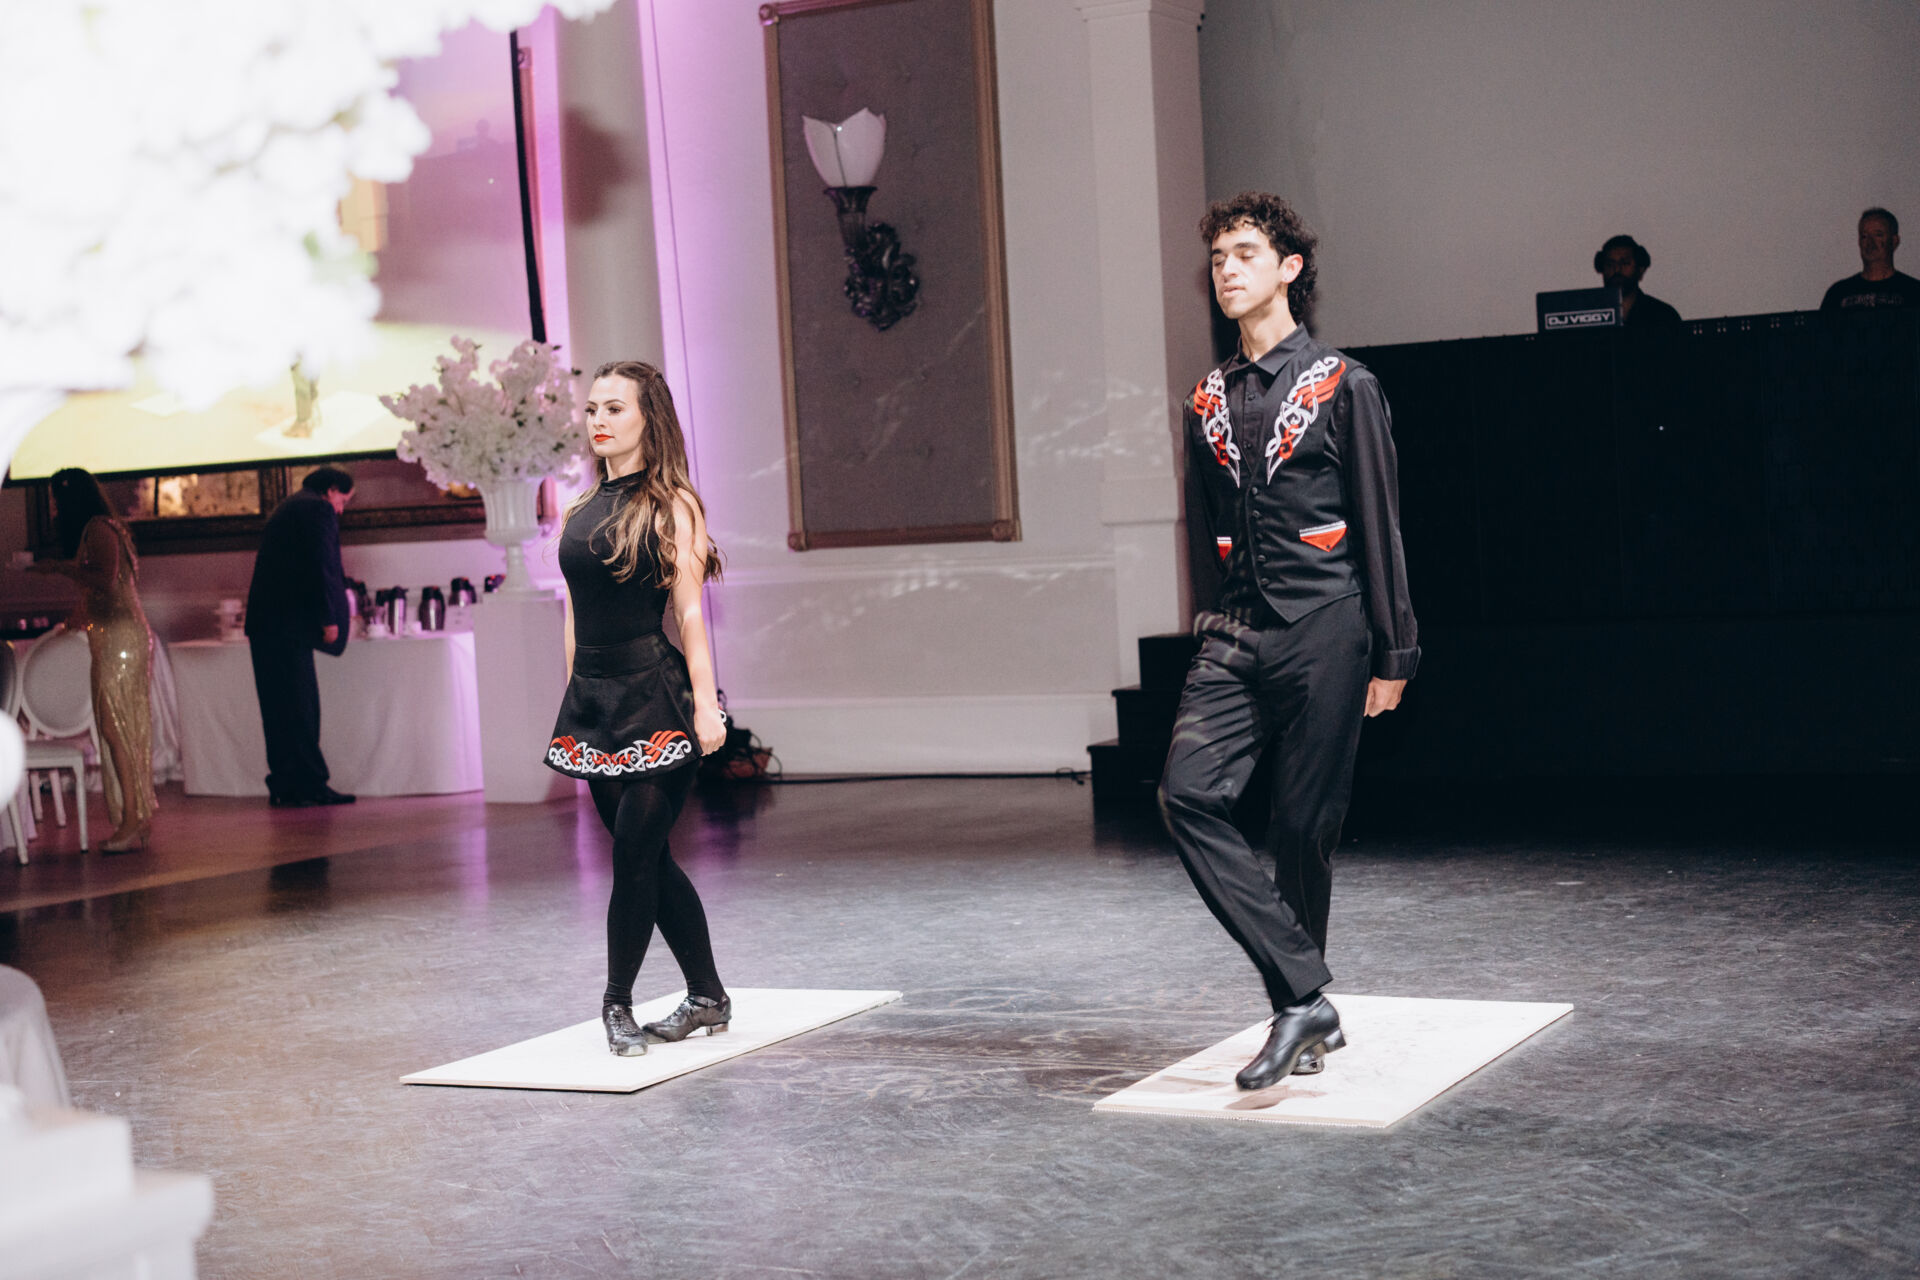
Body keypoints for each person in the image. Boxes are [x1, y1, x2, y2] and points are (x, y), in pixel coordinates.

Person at [1160, 193, 1420, 1091]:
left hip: (1326, 628)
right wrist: (1207, 623)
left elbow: (1379, 525)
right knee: (1186, 795)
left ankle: (1297, 1017)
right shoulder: (1204, 399)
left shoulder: (1343, 385)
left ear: (1289, 269)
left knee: (1303, 828)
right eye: (1218, 258)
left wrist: (1394, 652)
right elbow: (1202, 528)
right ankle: (1307, 996)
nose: (1227, 269)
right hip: (1235, 633)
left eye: (1244, 253)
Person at [545, 360, 731, 1057]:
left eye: (615, 408)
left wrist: (707, 707)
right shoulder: (577, 510)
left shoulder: (672, 504)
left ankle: (615, 1003)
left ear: (649, 418)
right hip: (594, 704)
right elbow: (574, 616)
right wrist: (573, 698)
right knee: (650, 858)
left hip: (656, 698)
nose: (598, 420)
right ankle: (708, 996)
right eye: (593, 408)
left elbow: (690, 614)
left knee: (633, 857)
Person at [28, 469, 158, 852]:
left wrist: (57, 567)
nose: (54, 509)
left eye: (57, 500)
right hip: (116, 634)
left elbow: (104, 578)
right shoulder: (102, 528)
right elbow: (98, 594)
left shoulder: (99, 529)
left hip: (119, 638)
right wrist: (72, 622)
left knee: (115, 727)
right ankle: (136, 817)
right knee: (118, 726)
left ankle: (131, 819)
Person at [244, 466, 355, 808]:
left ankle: (284, 784)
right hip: (290, 626)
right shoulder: (317, 509)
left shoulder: (289, 506)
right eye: (343, 500)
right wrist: (328, 618)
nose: (341, 510)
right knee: (301, 708)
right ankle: (311, 785)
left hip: (266, 624)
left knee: (277, 711)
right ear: (331, 489)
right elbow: (321, 565)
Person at [1820, 208, 1920, 311]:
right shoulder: (1838, 293)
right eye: (1864, 236)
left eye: (1878, 235)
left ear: (1894, 241)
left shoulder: (1914, 291)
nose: (1870, 243)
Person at [1595, 234, 1682, 328]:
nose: (1617, 269)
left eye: (1625, 263)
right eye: (1610, 264)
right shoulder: (1590, 314)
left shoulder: (1663, 315)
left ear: (1640, 270)